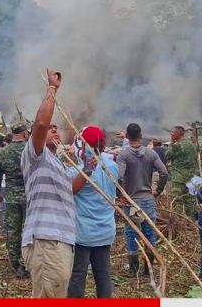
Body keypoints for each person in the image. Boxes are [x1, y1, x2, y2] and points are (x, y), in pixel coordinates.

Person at [20, 69, 75, 298]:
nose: (54, 129)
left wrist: (90, 169)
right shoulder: (36, 155)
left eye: (56, 127)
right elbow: (41, 123)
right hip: (47, 239)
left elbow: (71, 189)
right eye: (50, 127)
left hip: (61, 239)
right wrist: (52, 88)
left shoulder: (58, 161)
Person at [68, 126, 118, 298]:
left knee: (78, 274)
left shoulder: (78, 172)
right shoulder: (113, 167)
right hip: (105, 230)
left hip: (83, 233)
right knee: (103, 274)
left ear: (84, 145)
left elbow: (70, 189)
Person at [116, 123, 168, 274]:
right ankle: (149, 269)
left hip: (133, 203)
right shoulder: (151, 154)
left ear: (127, 136)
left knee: (132, 234)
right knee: (149, 233)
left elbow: (118, 176)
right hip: (148, 201)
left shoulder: (123, 155)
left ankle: (134, 270)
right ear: (141, 136)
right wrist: (158, 191)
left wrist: (120, 195)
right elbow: (164, 173)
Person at [0, 121, 29, 278]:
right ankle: (27, 262)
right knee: (29, 230)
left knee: (13, 230)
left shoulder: (2, 153)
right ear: (25, 133)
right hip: (30, 197)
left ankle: (15, 263)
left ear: (12, 134)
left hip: (11, 197)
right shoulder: (31, 151)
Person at [165, 125, 202, 218]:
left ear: (179, 134)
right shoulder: (192, 145)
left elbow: (167, 155)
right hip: (190, 178)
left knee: (177, 200)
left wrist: (171, 143)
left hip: (178, 178)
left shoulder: (177, 145)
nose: (171, 134)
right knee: (189, 200)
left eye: (173, 132)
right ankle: (191, 221)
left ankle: (178, 221)